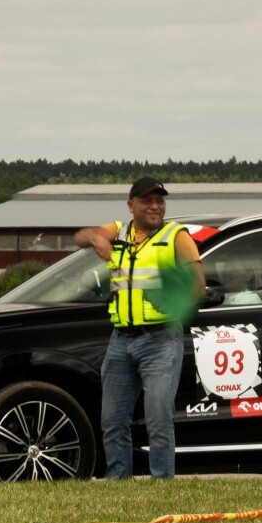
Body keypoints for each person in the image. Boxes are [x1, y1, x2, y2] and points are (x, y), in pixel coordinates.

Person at [74, 177, 204, 480]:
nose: (155, 206)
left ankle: (162, 484)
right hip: (120, 341)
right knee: (112, 420)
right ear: (131, 205)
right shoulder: (119, 230)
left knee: (159, 420)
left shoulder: (176, 236)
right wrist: (98, 239)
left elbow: (198, 286)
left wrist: (177, 308)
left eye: (160, 200)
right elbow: (81, 236)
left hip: (160, 340)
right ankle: (118, 483)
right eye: (147, 200)